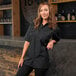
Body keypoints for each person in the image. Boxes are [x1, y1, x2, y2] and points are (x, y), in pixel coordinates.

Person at [16, 2, 60, 76]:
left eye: (46, 10)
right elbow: (27, 41)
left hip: (41, 60)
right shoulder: (34, 24)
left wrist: (52, 41)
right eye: (41, 10)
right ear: (39, 12)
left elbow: (57, 37)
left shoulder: (53, 27)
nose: (43, 12)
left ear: (49, 11)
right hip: (29, 58)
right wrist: (22, 58)